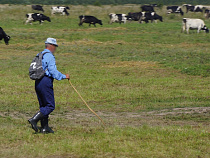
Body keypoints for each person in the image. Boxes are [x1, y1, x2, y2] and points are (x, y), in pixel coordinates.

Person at [28, 38, 70, 134]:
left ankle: (44, 127)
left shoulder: (40, 54)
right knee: (50, 106)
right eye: (54, 46)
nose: (55, 48)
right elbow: (53, 71)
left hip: (38, 82)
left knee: (43, 105)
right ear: (50, 45)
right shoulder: (49, 56)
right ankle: (34, 119)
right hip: (45, 81)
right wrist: (64, 76)